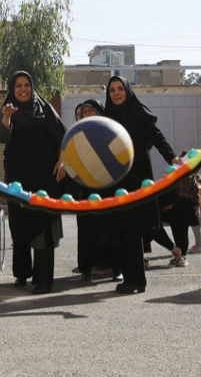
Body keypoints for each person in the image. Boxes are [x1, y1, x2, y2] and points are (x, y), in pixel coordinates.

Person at [104, 76, 179, 293]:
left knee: (133, 230)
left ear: (127, 91)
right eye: (112, 90)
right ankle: (132, 279)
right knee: (123, 230)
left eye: (120, 89)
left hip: (137, 178)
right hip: (116, 180)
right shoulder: (107, 117)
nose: (116, 93)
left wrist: (172, 158)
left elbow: (157, 137)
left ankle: (137, 280)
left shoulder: (138, 113)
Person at [0, 71, 66, 295]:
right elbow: (1, 137)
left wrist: (62, 160)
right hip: (18, 177)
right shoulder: (8, 108)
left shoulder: (44, 108)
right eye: (18, 85)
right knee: (20, 225)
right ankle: (22, 272)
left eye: (27, 84)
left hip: (46, 178)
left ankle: (44, 280)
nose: (23, 89)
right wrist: (6, 118)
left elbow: (63, 136)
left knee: (43, 226)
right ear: (12, 88)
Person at [72, 99, 123, 282]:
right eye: (84, 111)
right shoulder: (76, 135)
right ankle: (86, 269)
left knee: (111, 229)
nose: (88, 113)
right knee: (87, 231)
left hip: (109, 188)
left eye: (91, 110)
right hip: (86, 191)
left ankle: (117, 268)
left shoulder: (110, 132)